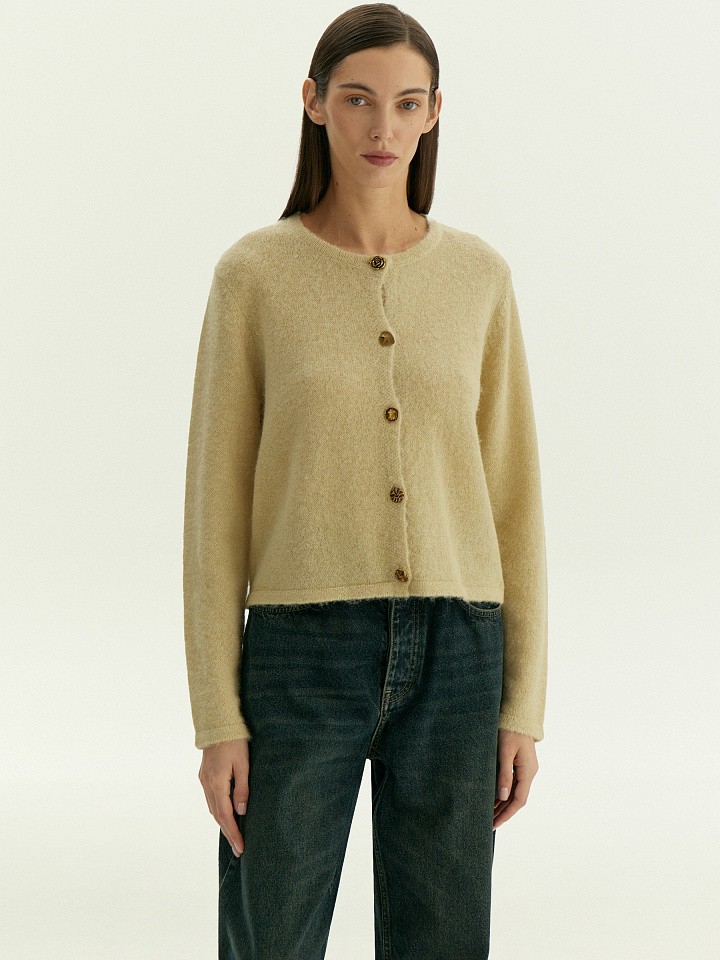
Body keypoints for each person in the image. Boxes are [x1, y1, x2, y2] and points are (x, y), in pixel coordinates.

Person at [183, 4, 548, 958]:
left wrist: (522, 703)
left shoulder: (480, 278)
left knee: (444, 941)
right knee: (271, 936)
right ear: (313, 103)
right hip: (300, 651)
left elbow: (514, 501)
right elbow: (214, 513)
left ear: (434, 113)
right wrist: (218, 717)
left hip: (460, 651)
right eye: (357, 100)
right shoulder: (254, 276)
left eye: (407, 103)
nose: (383, 127)